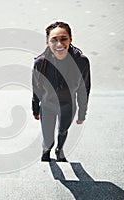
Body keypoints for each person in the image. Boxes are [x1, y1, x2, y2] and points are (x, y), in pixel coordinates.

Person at [32, 21, 91, 162]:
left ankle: (59, 150)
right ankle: (46, 150)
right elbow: (36, 88)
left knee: (63, 131)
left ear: (70, 39)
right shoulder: (40, 63)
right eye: (54, 40)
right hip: (47, 106)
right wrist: (35, 108)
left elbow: (84, 89)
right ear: (47, 42)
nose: (59, 44)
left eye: (63, 39)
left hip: (68, 107)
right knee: (47, 137)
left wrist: (82, 113)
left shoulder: (82, 62)